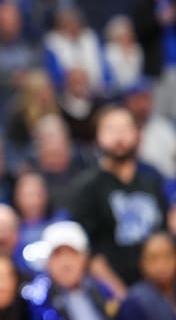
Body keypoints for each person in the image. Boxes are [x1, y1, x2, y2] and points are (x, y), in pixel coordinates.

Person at [69, 107, 170, 298]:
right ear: (98, 135)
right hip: (112, 291)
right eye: (111, 130)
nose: (119, 138)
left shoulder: (152, 178)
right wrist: (121, 293)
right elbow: (88, 250)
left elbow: (163, 234)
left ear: (137, 133)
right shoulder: (87, 186)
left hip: (159, 286)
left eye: (125, 129)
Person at [22, 221, 115, 320]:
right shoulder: (38, 299)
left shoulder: (100, 288)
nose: (65, 263)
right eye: (58, 255)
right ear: (47, 263)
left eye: (72, 254)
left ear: (84, 258)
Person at [116, 232, 176, 320]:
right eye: (153, 258)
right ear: (141, 263)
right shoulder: (134, 303)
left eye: (168, 256)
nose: (162, 265)